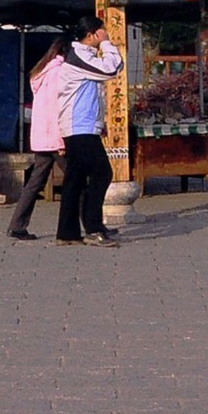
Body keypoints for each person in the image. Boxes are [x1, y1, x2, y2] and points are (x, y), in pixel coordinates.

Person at [54, 14, 124, 247]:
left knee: (75, 179)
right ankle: (93, 228)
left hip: (84, 125)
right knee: (102, 173)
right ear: (92, 34)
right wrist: (106, 43)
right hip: (78, 126)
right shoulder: (78, 57)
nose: (103, 35)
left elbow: (92, 93)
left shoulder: (82, 58)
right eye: (100, 32)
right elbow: (112, 69)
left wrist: (98, 122)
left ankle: (67, 232)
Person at [6, 38, 67, 241]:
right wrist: (62, 141)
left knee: (34, 183)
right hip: (55, 137)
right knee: (79, 180)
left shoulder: (40, 73)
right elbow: (56, 110)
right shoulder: (59, 73)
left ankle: (17, 224)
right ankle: (92, 224)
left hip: (41, 137)